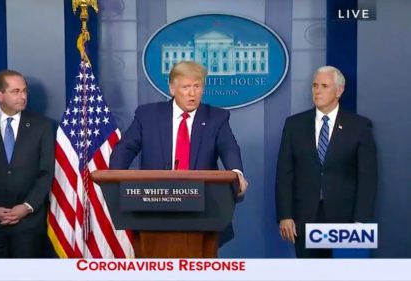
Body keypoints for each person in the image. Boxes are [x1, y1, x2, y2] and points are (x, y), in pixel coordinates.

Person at [109, 61, 248, 243]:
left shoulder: (216, 117)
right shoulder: (148, 115)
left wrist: (237, 172)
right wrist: (113, 178)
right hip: (153, 208)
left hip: (203, 210)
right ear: (172, 89)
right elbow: (125, 148)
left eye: (197, 86)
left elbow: (229, 148)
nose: (192, 93)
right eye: (186, 87)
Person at [275, 66, 377, 258]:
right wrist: (285, 215)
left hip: (345, 219)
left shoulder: (359, 126)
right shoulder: (294, 125)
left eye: (324, 86)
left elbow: (367, 177)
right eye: (314, 85)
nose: (317, 91)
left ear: (339, 91)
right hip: (304, 217)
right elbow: (284, 173)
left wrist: (361, 221)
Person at [0, 70, 55, 258]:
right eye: (16, 91)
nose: (23, 96)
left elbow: (46, 172)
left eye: (24, 91)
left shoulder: (42, 126)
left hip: (28, 224)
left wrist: (27, 206)